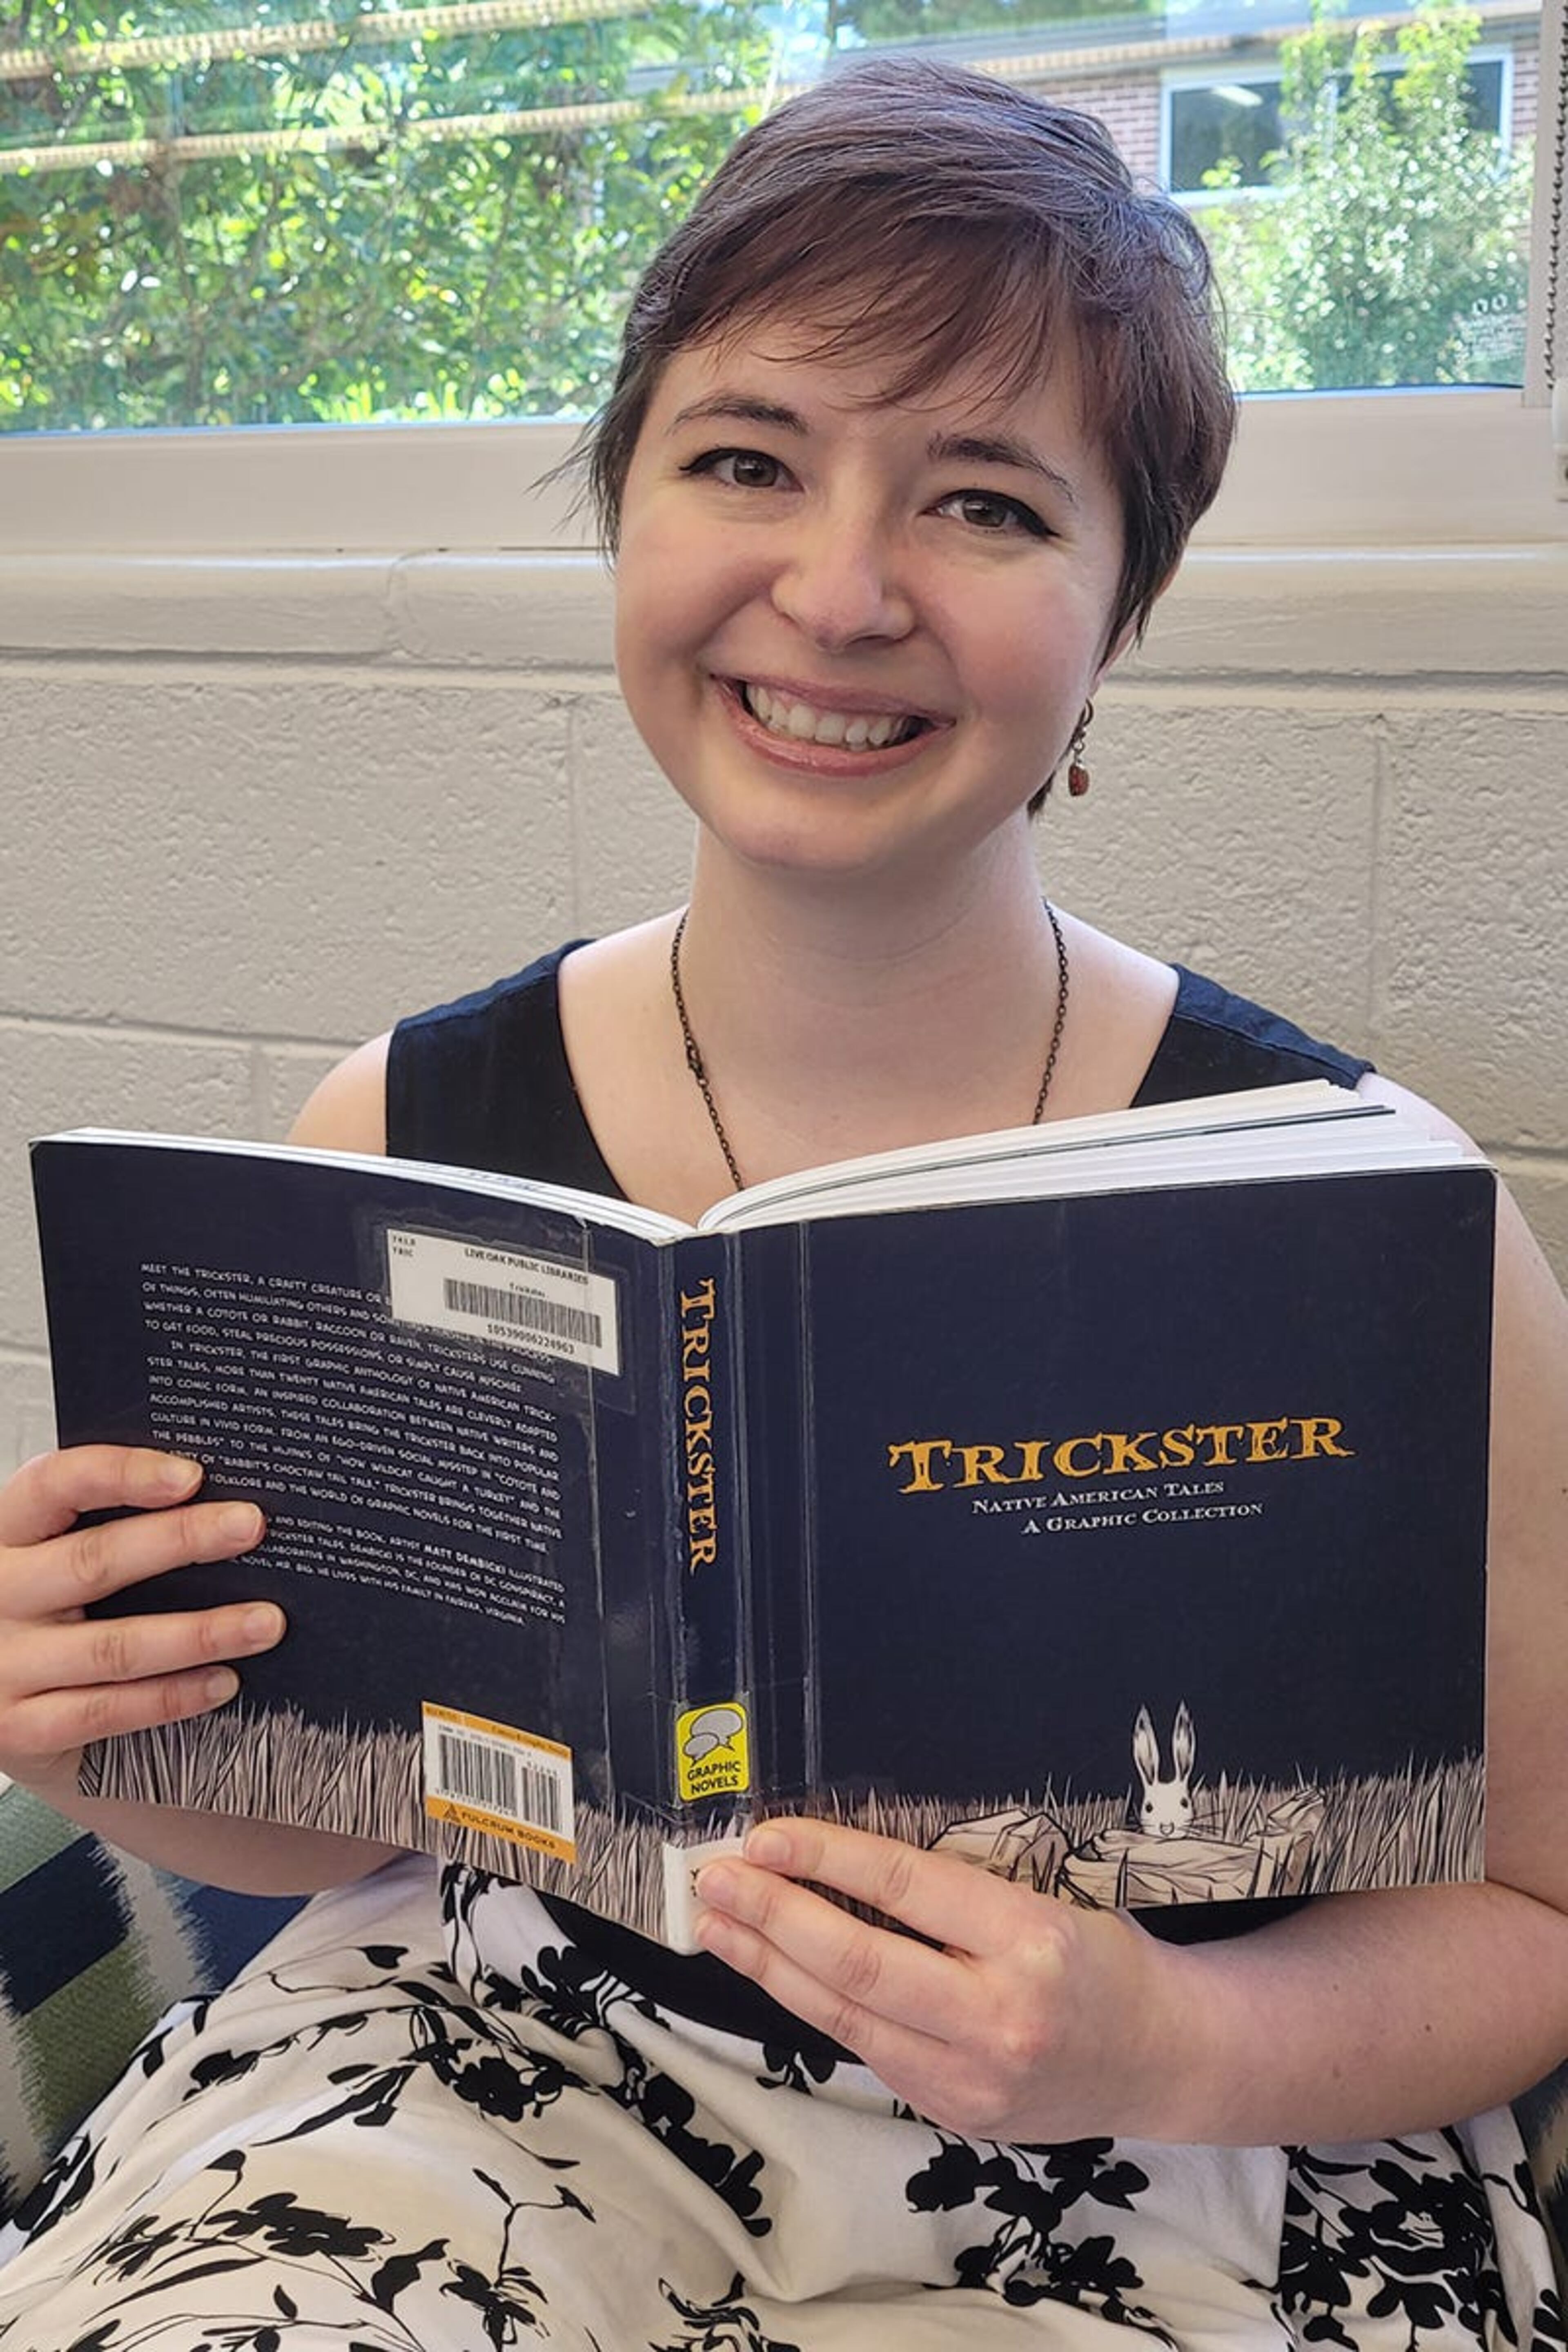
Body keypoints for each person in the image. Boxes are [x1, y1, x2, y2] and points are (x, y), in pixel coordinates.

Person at [1, 54, 1566, 2351]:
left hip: (1191, 2146)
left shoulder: (1379, 1214)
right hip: (511, 2072)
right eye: (744, 461)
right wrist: (87, 1722)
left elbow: (1538, 1914)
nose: (836, 595)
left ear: (1120, 609)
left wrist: (1169, 2039)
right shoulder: (399, 1128)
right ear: (626, 506)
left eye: (986, 505)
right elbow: (331, 1824)